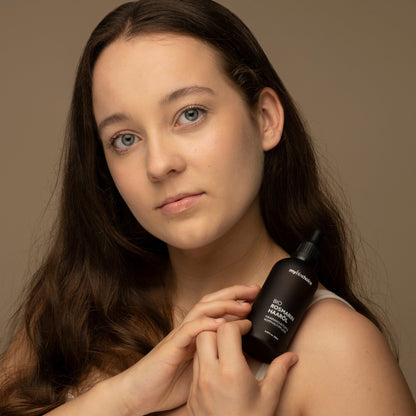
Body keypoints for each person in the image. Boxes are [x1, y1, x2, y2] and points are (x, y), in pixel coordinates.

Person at [1, 0, 415, 414]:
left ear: (266, 118)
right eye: (125, 139)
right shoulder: (76, 306)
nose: (160, 164)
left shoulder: (340, 353)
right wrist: (125, 396)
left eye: (190, 114)